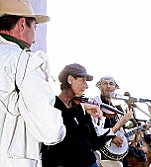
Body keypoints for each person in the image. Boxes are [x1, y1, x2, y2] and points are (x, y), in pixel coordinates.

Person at [0, 0, 66, 167]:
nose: (35, 36)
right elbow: (50, 131)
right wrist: (61, 128)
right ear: (22, 24)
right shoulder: (27, 62)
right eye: (35, 27)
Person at [41, 63, 132, 167]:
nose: (86, 86)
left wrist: (115, 128)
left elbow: (94, 143)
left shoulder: (81, 109)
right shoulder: (52, 103)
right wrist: (82, 108)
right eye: (83, 81)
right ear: (70, 79)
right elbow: (54, 125)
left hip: (90, 163)